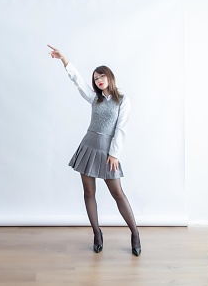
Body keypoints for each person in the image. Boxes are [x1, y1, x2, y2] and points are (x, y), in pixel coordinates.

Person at [48, 45, 141, 256]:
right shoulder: (95, 98)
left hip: (108, 152)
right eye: (96, 78)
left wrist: (114, 154)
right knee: (89, 192)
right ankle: (97, 233)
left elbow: (121, 128)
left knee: (118, 193)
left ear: (110, 77)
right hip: (88, 147)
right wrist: (64, 60)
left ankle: (135, 233)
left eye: (102, 76)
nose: (98, 80)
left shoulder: (123, 100)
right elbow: (78, 81)